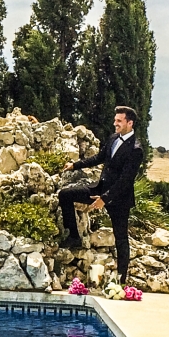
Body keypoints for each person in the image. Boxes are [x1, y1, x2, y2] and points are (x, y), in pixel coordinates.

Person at [58, 106, 144, 281]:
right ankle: (74, 237)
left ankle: (121, 279)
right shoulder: (113, 138)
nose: (115, 123)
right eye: (115, 120)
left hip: (119, 199)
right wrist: (75, 165)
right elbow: (98, 158)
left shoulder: (136, 149)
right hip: (99, 188)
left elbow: (125, 180)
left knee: (121, 238)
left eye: (119, 121)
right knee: (65, 194)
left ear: (130, 123)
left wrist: (105, 199)